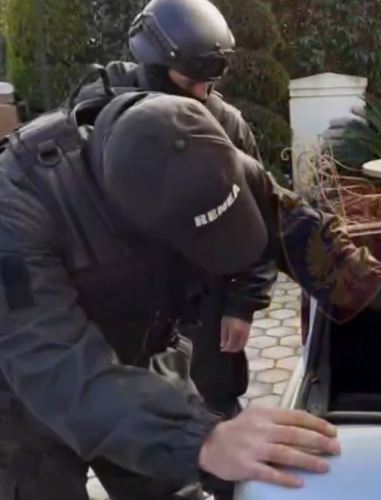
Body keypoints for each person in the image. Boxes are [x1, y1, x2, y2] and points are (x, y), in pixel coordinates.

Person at [0, 91, 381, 498]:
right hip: (29, 393)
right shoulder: (15, 213)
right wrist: (202, 438)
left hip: (144, 352)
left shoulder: (201, 158)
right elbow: (54, 365)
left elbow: (292, 224)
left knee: (173, 485)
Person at [80, 0, 276, 419]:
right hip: (126, 300)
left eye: (210, 83)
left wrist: (242, 304)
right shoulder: (94, 115)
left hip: (205, 298)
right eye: (190, 81)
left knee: (218, 403)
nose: (202, 95)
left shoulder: (227, 125)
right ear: (154, 67)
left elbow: (265, 215)